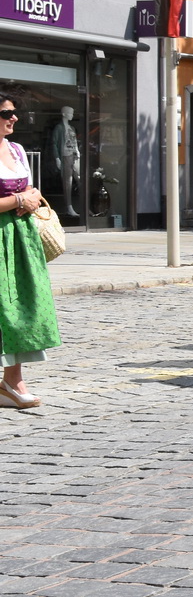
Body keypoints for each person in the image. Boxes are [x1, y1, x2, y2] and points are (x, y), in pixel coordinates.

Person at [0, 89, 59, 408]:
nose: (13, 118)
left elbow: (29, 189)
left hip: (21, 238)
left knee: (22, 305)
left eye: (13, 113)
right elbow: (18, 197)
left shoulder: (18, 150)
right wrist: (18, 200)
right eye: (6, 114)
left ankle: (12, 381)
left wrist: (31, 196)